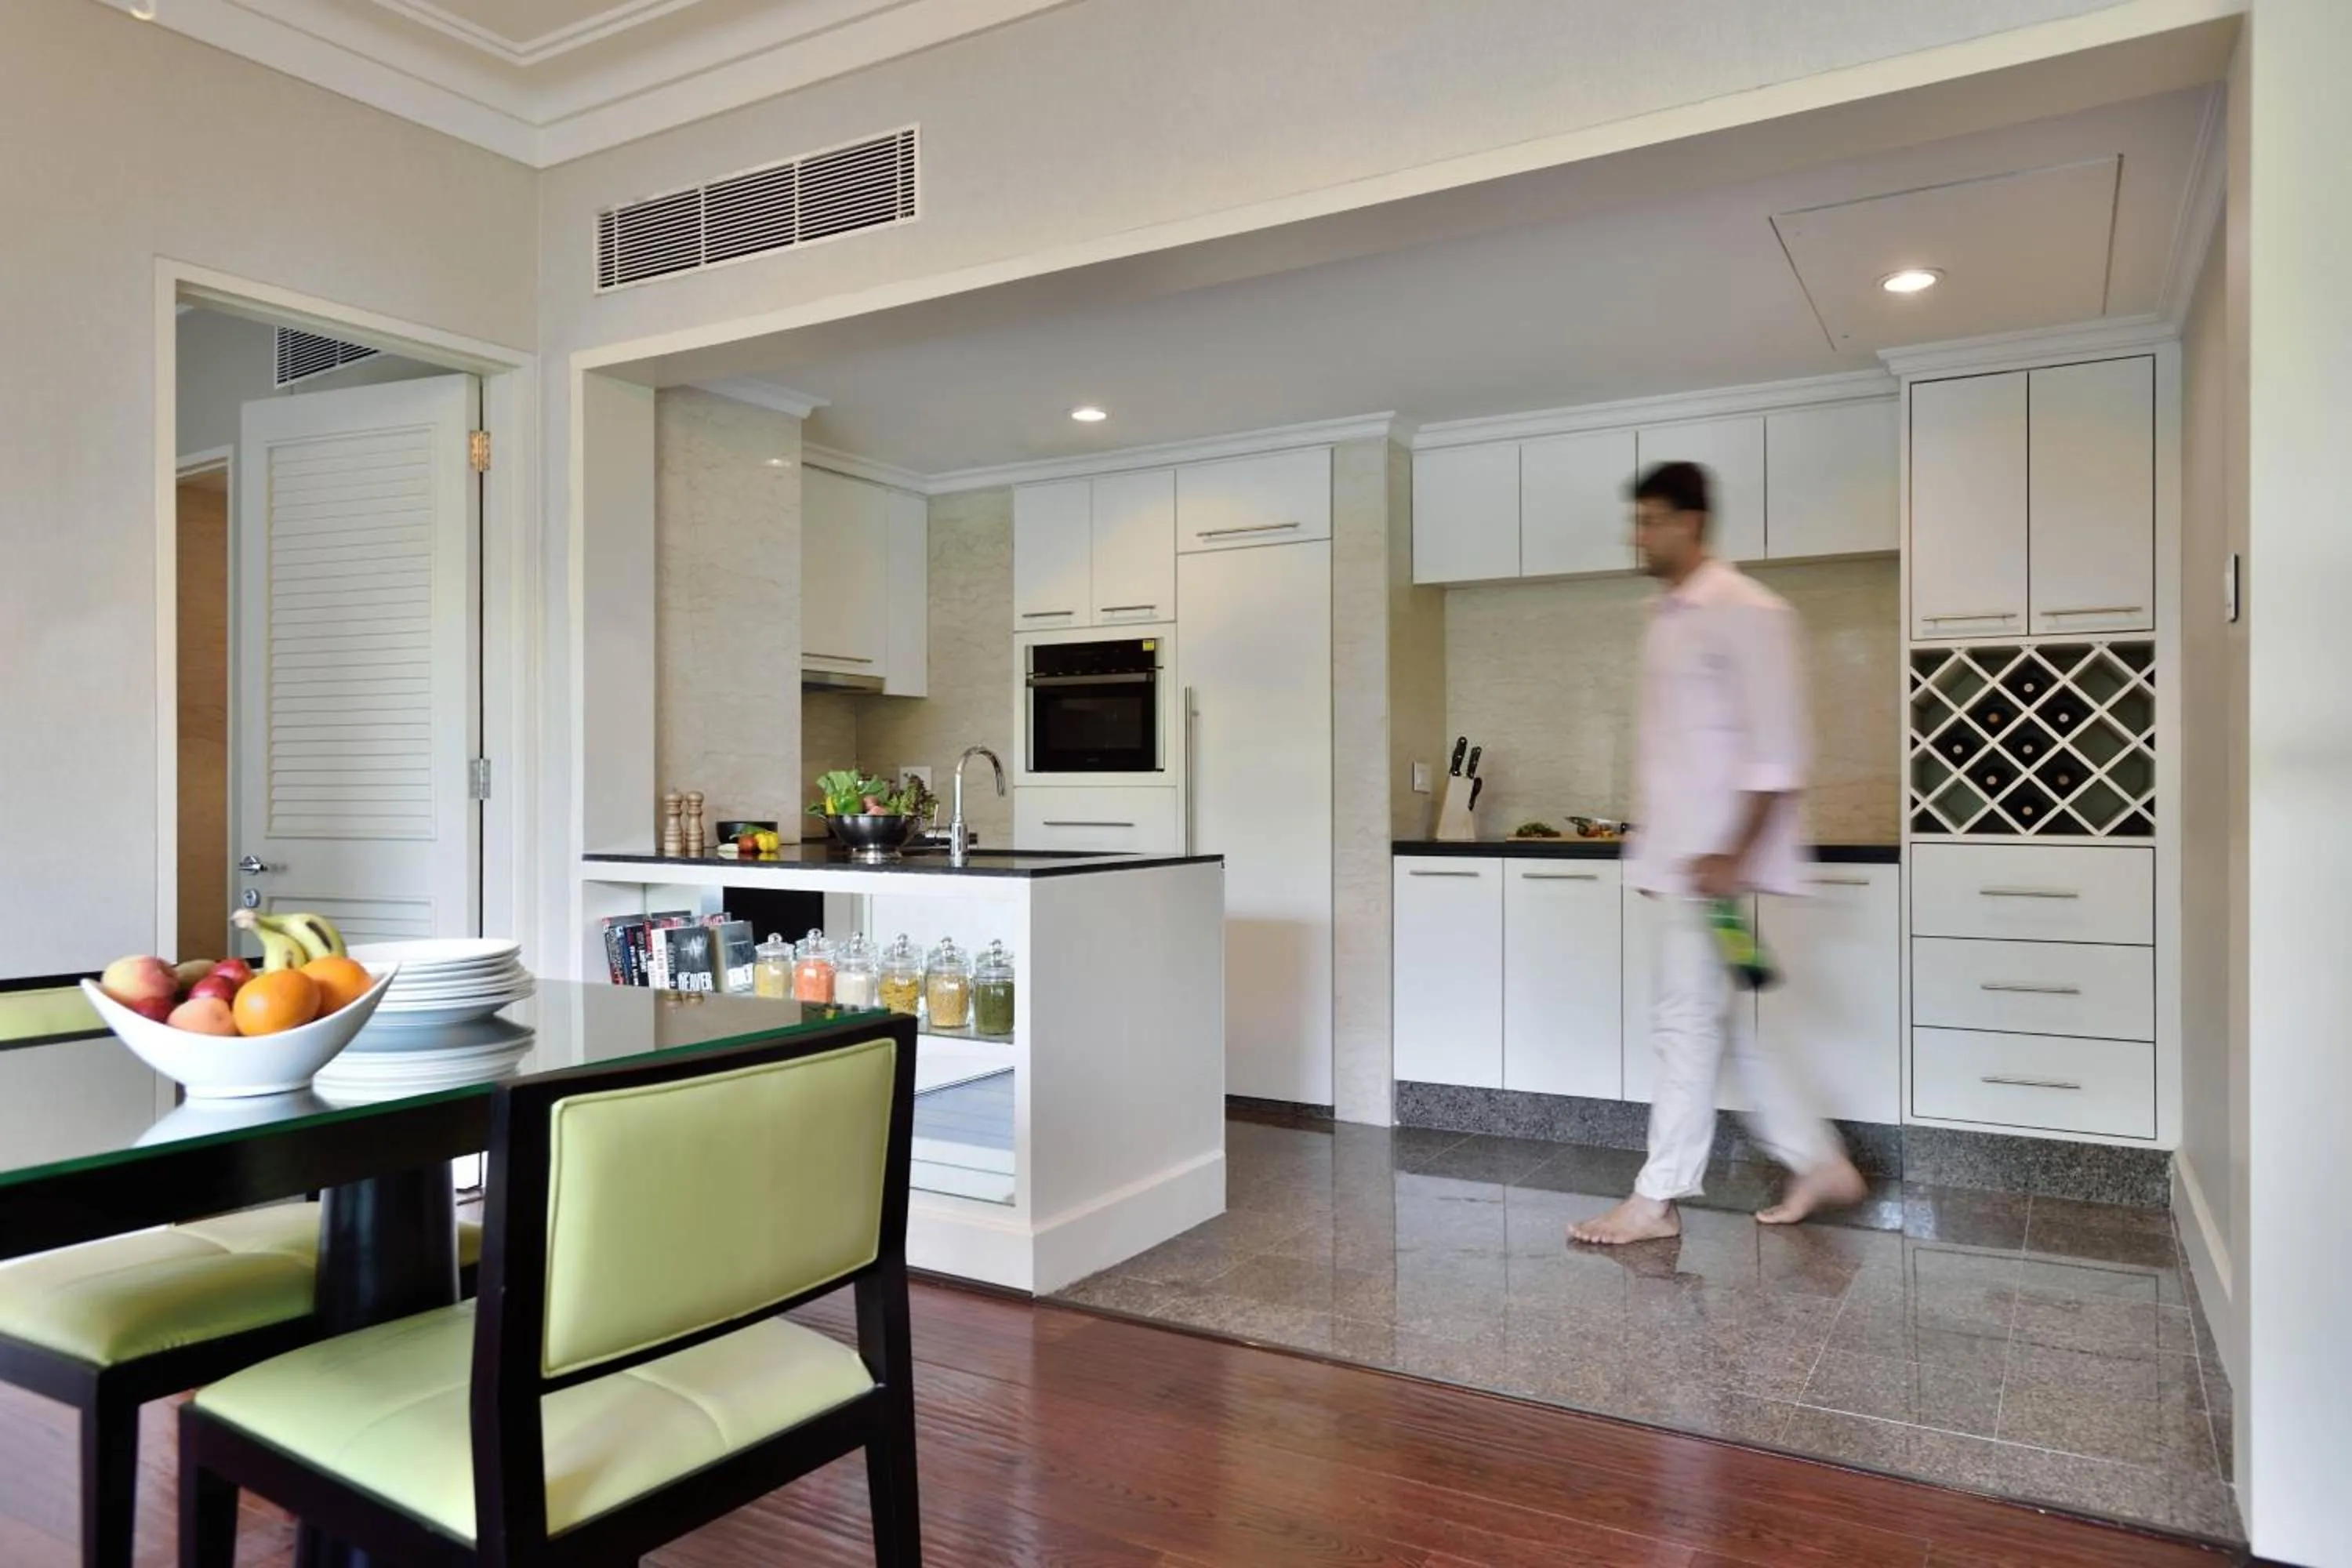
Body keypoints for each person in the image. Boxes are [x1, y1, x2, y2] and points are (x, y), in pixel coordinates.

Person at [1568, 460, 1865, 1246]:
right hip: (1691, 873)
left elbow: (1779, 750)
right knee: (1727, 1024)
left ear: (1691, 523)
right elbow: (1677, 755)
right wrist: (1650, 854)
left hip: (1723, 875)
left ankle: (1656, 1198)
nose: (1639, 534)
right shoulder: (1668, 617)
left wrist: (1728, 855)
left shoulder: (1745, 610)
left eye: (1652, 520)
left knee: (1686, 1023)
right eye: (1637, 520)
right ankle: (1817, 1159)